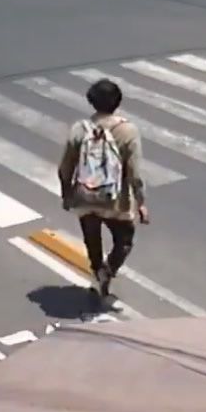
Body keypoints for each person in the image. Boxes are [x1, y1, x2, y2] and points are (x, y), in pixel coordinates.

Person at [58, 79, 149, 300]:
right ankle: (107, 272)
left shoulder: (79, 129)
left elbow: (64, 168)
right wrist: (141, 203)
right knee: (124, 241)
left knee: (92, 241)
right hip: (116, 201)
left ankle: (97, 271)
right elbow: (135, 173)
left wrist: (67, 194)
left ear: (91, 101)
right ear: (118, 101)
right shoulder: (128, 130)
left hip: (85, 198)